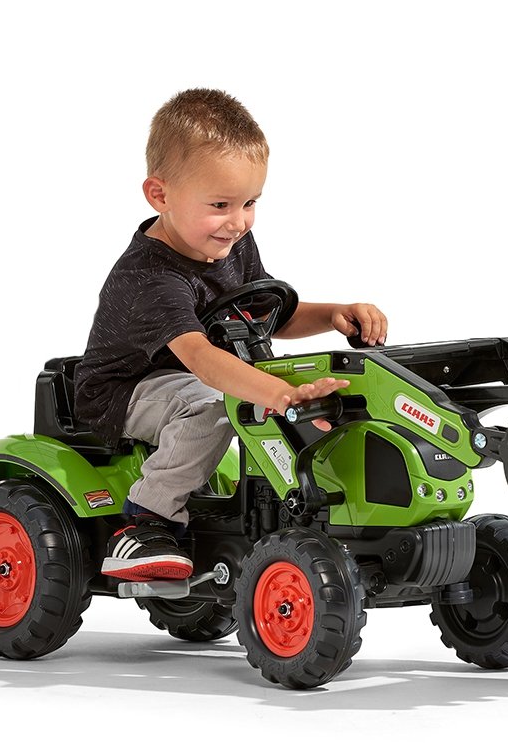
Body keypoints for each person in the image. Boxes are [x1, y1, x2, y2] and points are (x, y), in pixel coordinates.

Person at [74, 88, 388, 581]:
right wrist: (279, 394)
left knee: (307, 391)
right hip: (125, 391)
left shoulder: (228, 243)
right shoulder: (150, 277)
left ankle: (304, 510)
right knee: (214, 406)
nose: (238, 222)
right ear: (160, 195)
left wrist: (332, 314)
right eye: (221, 204)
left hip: (193, 377)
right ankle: (147, 521)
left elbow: (267, 316)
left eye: (250, 203)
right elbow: (201, 359)